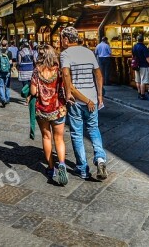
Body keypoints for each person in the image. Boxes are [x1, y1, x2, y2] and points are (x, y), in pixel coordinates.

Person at [60, 26, 108, 181]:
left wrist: (68, 92)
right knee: (94, 129)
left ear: (66, 39)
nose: (61, 42)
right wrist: (99, 95)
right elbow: (98, 74)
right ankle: (100, 158)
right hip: (92, 99)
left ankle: (82, 168)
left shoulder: (65, 54)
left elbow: (66, 74)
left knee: (77, 134)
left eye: (62, 39)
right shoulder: (88, 52)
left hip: (76, 101)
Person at [30, 44, 69, 186]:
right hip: (58, 108)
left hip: (42, 110)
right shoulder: (58, 70)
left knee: (47, 137)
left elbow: (33, 92)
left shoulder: (37, 71)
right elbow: (64, 87)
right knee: (59, 138)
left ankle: (51, 168)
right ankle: (62, 164)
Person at [132, 35, 149, 100]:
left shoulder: (134, 47)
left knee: (138, 80)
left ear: (137, 40)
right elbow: (147, 58)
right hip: (143, 65)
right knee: (143, 81)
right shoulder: (144, 47)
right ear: (143, 40)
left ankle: (139, 93)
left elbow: (133, 55)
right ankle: (142, 94)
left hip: (136, 65)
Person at [0, 43, 13, 107]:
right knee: (7, 86)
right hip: (7, 71)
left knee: (0, 86)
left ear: (1, 45)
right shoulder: (9, 52)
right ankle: (7, 99)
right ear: (7, 45)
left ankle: (3, 99)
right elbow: (10, 63)